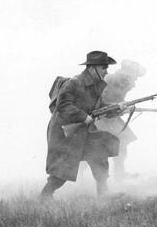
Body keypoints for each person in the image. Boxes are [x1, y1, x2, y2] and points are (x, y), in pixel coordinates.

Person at [41, 51, 121, 200]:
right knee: (62, 169)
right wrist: (84, 117)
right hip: (65, 133)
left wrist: (116, 109)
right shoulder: (74, 83)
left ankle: (104, 196)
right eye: (104, 67)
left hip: (83, 131)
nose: (106, 71)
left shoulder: (96, 85)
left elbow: (98, 107)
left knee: (99, 156)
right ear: (92, 68)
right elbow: (63, 105)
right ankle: (44, 196)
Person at [95, 59, 146, 181]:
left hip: (112, 119)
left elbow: (116, 102)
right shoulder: (110, 80)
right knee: (95, 149)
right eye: (135, 77)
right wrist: (115, 107)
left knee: (122, 143)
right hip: (101, 119)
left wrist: (121, 108)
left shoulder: (121, 81)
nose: (134, 83)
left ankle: (120, 173)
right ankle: (84, 177)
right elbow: (98, 100)